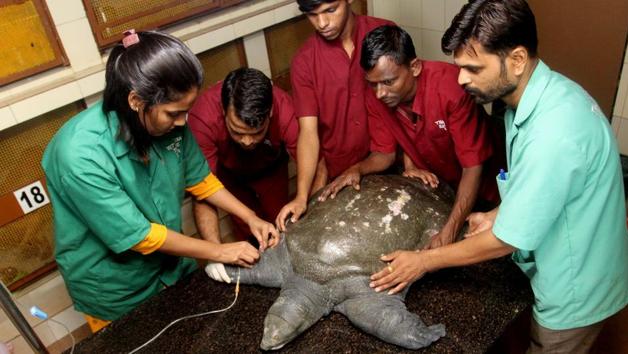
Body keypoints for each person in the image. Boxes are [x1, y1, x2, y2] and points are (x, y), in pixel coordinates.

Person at [369, 1, 628, 353]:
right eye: (460, 67)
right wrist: (495, 214)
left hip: (575, 289)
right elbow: (548, 186)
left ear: (517, 60)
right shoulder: (536, 98)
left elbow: (506, 241)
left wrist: (422, 261)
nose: (461, 79)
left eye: (473, 69)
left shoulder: (554, 133)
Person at [41, 30, 279, 332]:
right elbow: (141, 236)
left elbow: (201, 181)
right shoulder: (80, 154)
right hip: (116, 289)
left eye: (186, 112)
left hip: (171, 266)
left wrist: (250, 216)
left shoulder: (169, 126)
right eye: (173, 113)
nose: (182, 122)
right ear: (136, 100)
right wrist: (220, 251)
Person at [320, 25, 502, 249]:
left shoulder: (451, 88)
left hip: (487, 188)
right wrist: (356, 170)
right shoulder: (377, 95)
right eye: (372, 84)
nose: (380, 93)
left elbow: (473, 167)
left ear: (414, 67)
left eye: (388, 82)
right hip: (442, 189)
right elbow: (384, 154)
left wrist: (449, 231)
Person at [275, 0, 393, 231]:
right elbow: (308, 133)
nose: (322, 23)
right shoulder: (304, 62)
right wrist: (301, 196)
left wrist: (411, 164)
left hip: (390, 162)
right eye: (312, 15)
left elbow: (406, 102)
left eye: (330, 10)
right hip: (339, 175)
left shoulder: (386, 34)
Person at [188, 68, 302, 245]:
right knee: (248, 230)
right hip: (230, 175)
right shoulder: (203, 117)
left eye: (257, 133)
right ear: (224, 112)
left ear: (270, 113)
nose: (247, 142)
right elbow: (202, 191)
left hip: (272, 169)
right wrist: (216, 252)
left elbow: (315, 164)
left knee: (280, 221)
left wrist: (304, 203)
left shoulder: (283, 107)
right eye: (237, 132)